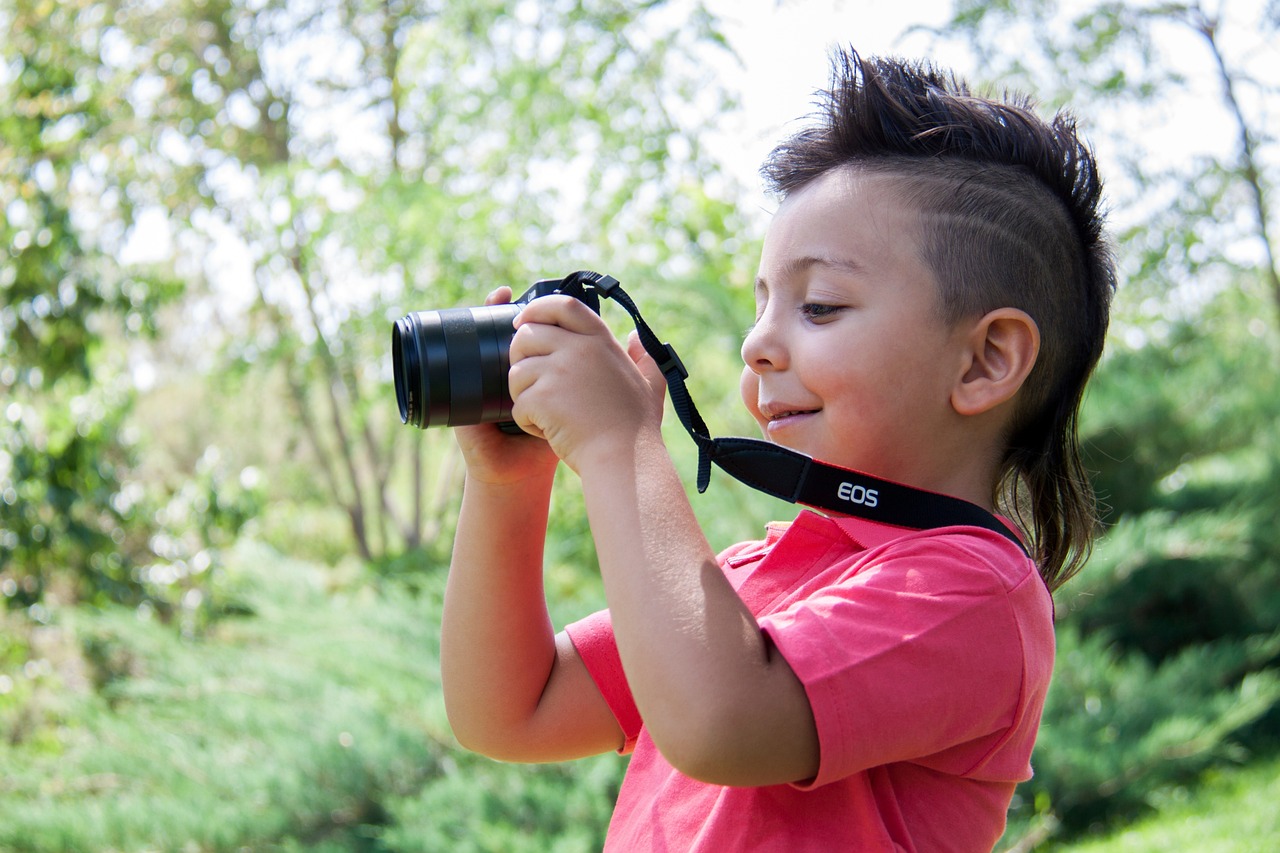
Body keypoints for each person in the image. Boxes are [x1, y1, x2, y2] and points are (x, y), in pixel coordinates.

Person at [439, 48, 1115, 851]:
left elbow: (719, 723)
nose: (758, 344)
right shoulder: (757, 576)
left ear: (985, 360)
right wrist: (510, 486)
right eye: (763, 307)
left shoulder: (973, 593)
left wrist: (623, 448)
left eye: (820, 305)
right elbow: (513, 708)